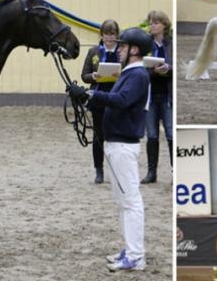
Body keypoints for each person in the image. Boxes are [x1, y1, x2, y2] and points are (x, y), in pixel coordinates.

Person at [67, 27, 152, 271]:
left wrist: (91, 93)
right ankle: (130, 249)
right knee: (124, 201)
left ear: (134, 50)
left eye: (123, 47)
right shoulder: (130, 73)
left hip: (123, 144)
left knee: (131, 201)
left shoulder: (137, 75)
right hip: (116, 143)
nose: (119, 50)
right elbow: (115, 101)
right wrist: (86, 97)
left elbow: (122, 100)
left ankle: (136, 256)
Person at [80, 19, 120, 184]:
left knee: (116, 135)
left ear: (117, 35)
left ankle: (116, 169)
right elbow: (84, 75)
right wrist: (93, 77)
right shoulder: (94, 51)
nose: (109, 38)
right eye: (106, 34)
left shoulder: (121, 52)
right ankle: (99, 170)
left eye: (112, 34)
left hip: (117, 96)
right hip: (98, 96)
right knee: (98, 135)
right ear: (101, 35)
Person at [141, 10, 173, 184]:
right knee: (152, 135)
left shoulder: (171, 44)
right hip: (151, 96)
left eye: (156, 23)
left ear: (164, 25)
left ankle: (174, 171)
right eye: (151, 23)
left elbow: (176, 64)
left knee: (170, 134)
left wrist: (168, 68)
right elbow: (140, 67)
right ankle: (151, 172)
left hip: (167, 96)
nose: (152, 25)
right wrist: (153, 71)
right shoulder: (146, 45)